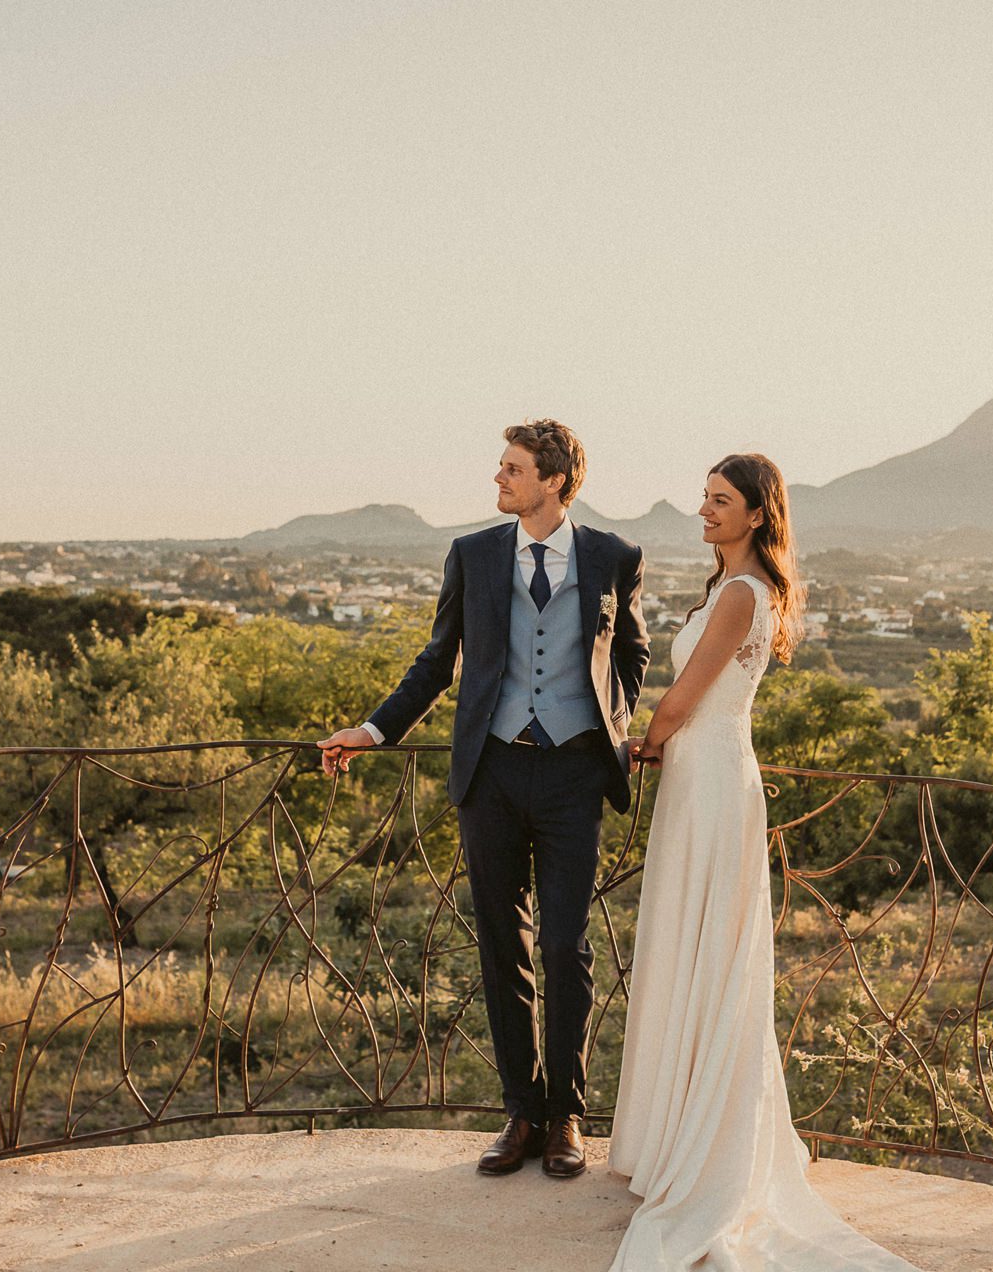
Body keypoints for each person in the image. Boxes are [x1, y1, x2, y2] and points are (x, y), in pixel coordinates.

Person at [607, 454, 922, 1270]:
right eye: (703, 499)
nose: (704, 511)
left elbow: (685, 698)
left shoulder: (743, 595)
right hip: (699, 779)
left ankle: (705, 1143)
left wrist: (641, 742)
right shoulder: (725, 589)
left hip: (710, 780)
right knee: (695, 941)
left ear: (756, 514)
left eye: (720, 501)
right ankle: (681, 1128)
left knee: (708, 945)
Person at [318, 421, 650, 1180]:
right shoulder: (473, 555)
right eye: (501, 467)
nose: (497, 480)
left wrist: (616, 730)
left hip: (573, 777)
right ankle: (522, 1114)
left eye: (512, 469)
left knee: (566, 945)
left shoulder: (614, 558)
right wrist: (374, 730)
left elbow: (629, 655)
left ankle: (567, 1114)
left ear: (555, 481)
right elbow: (437, 660)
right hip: (491, 775)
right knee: (503, 945)